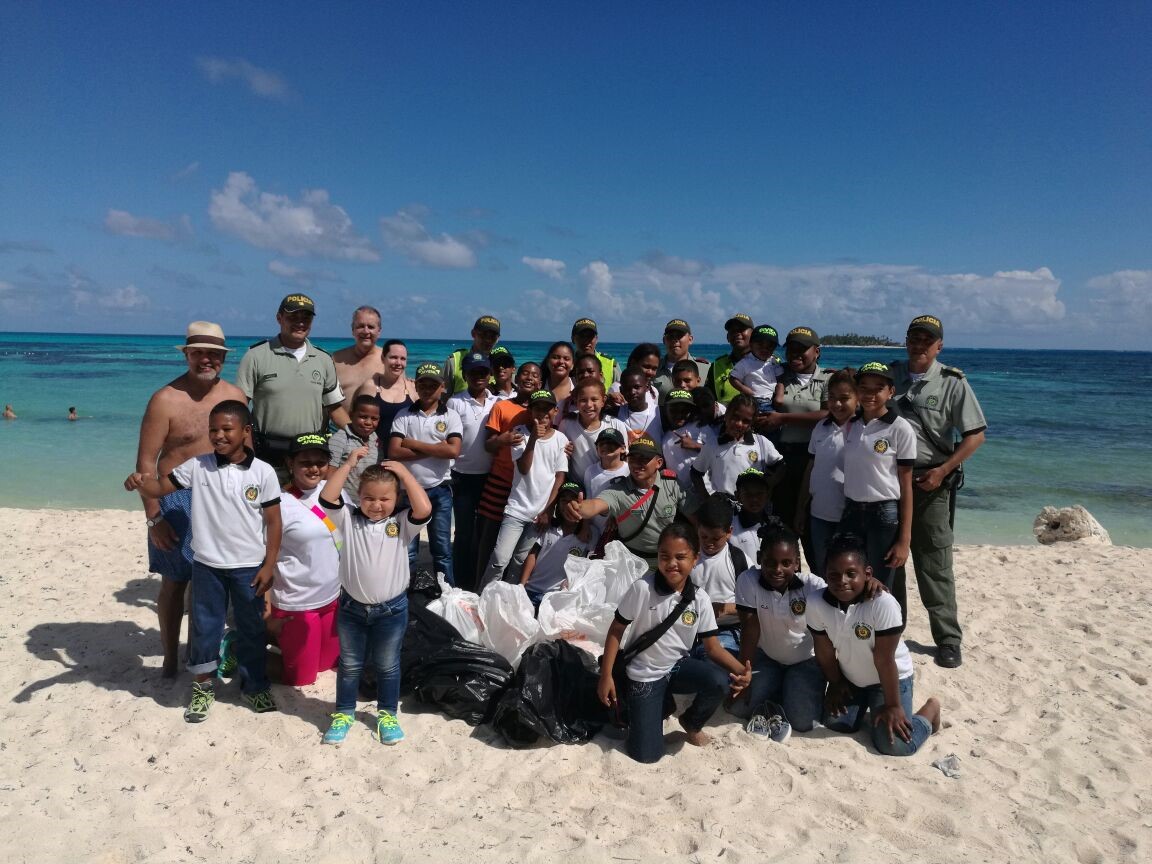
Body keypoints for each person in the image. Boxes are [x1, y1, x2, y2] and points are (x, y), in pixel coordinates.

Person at [124, 400, 282, 722]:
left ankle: (254, 686)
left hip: (248, 566)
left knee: (252, 627)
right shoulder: (198, 466)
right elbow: (160, 486)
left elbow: (274, 522)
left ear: (246, 431)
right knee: (204, 628)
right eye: (213, 430)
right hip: (207, 565)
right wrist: (141, 483)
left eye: (227, 429)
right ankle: (202, 686)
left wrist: (269, 564)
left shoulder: (263, 472)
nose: (219, 436)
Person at [133, 321, 247, 677]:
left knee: (213, 584)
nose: (206, 359)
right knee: (175, 582)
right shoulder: (165, 399)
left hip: (224, 500)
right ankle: (170, 657)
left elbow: (247, 454)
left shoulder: (235, 396)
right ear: (187, 354)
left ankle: (203, 655)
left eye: (213, 354)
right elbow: (145, 464)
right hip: (176, 501)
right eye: (198, 352)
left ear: (223, 358)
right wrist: (154, 518)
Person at [597, 523, 752, 764]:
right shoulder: (642, 588)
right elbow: (616, 630)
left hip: (677, 667)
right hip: (644, 674)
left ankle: (691, 722)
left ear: (695, 558)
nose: (672, 564)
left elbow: (713, 647)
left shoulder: (699, 598)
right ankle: (652, 707)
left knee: (719, 681)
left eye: (681, 557)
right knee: (647, 756)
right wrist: (605, 676)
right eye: (664, 556)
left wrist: (740, 670)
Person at [889, 314, 987, 669]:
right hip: (888, 481)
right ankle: (890, 629)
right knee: (890, 561)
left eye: (926, 340)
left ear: (938, 346)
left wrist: (943, 470)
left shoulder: (952, 382)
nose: (919, 345)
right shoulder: (889, 374)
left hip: (929, 482)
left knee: (934, 563)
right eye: (913, 338)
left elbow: (975, 435)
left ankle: (947, 638)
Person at [318, 449, 432, 745]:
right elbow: (328, 497)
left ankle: (387, 714)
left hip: (391, 612)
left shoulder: (402, 524)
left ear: (396, 500)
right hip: (352, 610)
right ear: (358, 496)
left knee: (387, 664)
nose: (377, 505)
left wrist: (406, 474)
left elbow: (424, 509)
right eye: (369, 498)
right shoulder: (347, 520)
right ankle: (343, 713)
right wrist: (349, 463)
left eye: (385, 499)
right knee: (350, 664)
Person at [807, 534, 942, 756]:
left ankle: (930, 711)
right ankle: (866, 704)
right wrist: (836, 682)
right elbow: (824, 650)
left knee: (895, 745)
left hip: (888, 679)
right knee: (837, 723)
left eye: (851, 574)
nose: (842, 580)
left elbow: (884, 659)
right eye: (834, 575)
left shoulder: (882, 604)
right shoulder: (815, 603)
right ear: (825, 575)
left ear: (867, 574)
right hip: (852, 678)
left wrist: (893, 706)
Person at [236, 293, 349, 469]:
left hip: (311, 454)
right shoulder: (255, 356)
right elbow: (240, 408)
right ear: (279, 318)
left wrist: (360, 436)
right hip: (268, 454)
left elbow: (334, 407)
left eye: (306, 318)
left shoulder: (324, 359)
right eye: (293, 317)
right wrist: (245, 449)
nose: (300, 322)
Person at [734, 525, 828, 732]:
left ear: (797, 563)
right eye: (770, 562)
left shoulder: (813, 586)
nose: (777, 570)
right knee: (738, 707)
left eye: (786, 563)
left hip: (805, 662)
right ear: (759, 558)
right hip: (767, 658)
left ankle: (790, 691)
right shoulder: (748, 580)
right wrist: (744, 675)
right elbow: (750, 629)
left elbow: (843, 607)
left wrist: (870, 583)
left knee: (803, 722)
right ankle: (779, 692)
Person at [267, 433, 343, 687]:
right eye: (305, 462)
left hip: (332, 599)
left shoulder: (333, 490)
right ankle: (240, 647)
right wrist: (266, 612)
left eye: (320, 462)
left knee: (327, 665)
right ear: (290, 463)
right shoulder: (279, 504)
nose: (314, 468)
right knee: (301, 679)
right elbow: (262, 559)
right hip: (296, 604)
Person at [839, 362, 915, 597]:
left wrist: (904, 539)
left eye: (878, 388)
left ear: (891, 392)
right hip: (851, 510)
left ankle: (892, 632)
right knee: (853, 576)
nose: (870, 394)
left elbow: (906, 484)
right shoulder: (851, 425)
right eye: (864, 388)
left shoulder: (900, 429)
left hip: (883, 514)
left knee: (882, 582)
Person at [481, 389, 569, 587]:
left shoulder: (560, 439)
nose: (543, 414)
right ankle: (484, 595)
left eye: (547, 410)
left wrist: (548, 510)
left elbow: (559, 477)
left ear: (555, 411)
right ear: (530, 411)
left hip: (539, 514)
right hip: (516, 509)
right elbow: (523, 467)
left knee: (519, 561)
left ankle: (508, 597)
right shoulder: (519, 432)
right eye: (538, 409)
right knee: (499, 559)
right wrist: (533, 440)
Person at [387, 362, 462, 585]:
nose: (428, 389)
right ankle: (405, 593)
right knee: (408, 552)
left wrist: (413, 444)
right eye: (423, 384)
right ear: (416, 386)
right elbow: (394, 451)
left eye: (433, 384)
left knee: (441, 549)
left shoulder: (451, 415)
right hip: (408, 492)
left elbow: (453, 450)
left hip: (439, 490)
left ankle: (447, 593)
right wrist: (435, 449)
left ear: (443, 387)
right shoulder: (403, 414)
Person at [564, 435, 687, 568]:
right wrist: (579, 508)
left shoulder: (673, 485)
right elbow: (596, 504)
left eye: (644, 459)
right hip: (632, 566)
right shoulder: (619, 490)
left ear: (659, 463)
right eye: (633, 458)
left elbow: (695, 519)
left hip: (666, 564)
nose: (637, 463)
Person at [766, 326, 832, 565]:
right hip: (781, 458)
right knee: (783, 528)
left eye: (802, 349)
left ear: (817, 352)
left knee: (811, 526)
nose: (795, 354)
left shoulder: (828, 379)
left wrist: (783, 418)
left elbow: (828, 413)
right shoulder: (778, 376)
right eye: (791, 348)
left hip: (814, 460)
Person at [474, 362, 541, 586]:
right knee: (489, 543)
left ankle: (507, 594)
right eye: (525, 373)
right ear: (516, 376)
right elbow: (488, 444)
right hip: (499, 481)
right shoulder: (502, 406)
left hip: (526, 490)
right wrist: (503, 439)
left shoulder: (542, 410)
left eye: (534, 375)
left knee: (518, 550)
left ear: (540, 382)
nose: (529, 378)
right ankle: (478, 588)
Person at [797, 367, 857, 576]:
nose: (837, 404)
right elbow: (811, 468)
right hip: (819, 514)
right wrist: (801, 508)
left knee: (848, 571)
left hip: (850, 517)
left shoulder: (862, 428)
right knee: (824, 569)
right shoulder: (821, 427)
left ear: (857, 399)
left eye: (844, 398)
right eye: (832, 397)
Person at [447, 351, 499, 591]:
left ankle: (480, 577)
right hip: (462, 476)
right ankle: (461, 580)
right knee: (464, 531)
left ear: (490, 375)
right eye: (473, 372)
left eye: (483, 371)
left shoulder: (498, 402)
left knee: (485, 532)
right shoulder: (455, 402)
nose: (479, 376)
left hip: (491, 477)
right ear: (465, 375)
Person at [520, 481, 598, 608]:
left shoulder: (589, 534)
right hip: (530, 591)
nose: (568, 506)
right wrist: (522, 586)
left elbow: (589, 566)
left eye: (573, 500)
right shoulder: (547, 526)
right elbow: (533, 555)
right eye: (563, 500)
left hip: (557, 599)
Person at [691, 394, 784, 498]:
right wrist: (707, 500)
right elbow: (695, 473)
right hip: (724, 509)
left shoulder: (761, 443)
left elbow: (781, 466)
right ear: (726, 415)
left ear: (752, 423)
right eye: (735, 417)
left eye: (746, 421)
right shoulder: (712, 444)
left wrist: (766, 485)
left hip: (751, 506)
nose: (739, 424)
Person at [690, 494, 748, 655]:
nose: (709, 543)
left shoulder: (739, 560)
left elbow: (757, 606)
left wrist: (726, 609)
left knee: (710, 659)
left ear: (729, 532)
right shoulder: (686, 556)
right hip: (689, 628)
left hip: (725, 630)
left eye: (716, 538)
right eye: (704, 536)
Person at [559, 379, 629, 482]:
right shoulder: (566, 424)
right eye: (583, 400)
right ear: (576, 401)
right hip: (577, 487)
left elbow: (625, 457)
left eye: (594, 399)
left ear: (603, 400)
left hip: (610, 486)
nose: (589, 405)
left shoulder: (616, 424)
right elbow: (560, 455)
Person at [354, 339, 417, 441]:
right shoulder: (370, 386)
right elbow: (356, 419)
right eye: (393, 357)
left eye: (403, 359)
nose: (398, 363)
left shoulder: (413, 388)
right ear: (383, 359)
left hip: (403, 452)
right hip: (373, 452)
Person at [326, 395, 381, 504]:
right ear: (351, 415)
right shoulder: (340, 439)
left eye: (374, 419)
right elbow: (329, 475)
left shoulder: (377, 441)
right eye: (363, 417)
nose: (368, 422)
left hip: (368, 505)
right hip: (344, 504)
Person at [332, 306, 385, 414]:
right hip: (340, 428)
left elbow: (402, 393)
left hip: (378, 429)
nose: (366, 331)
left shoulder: (389, 361)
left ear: (379, 331)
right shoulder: (335, 360)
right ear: (353, 330)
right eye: (360, 326)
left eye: (371, 327)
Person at [661, 389, 707, 495]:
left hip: (706, 492)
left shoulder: (700, 427)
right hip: (681, 496)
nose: (679, 414)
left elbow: (717, 454)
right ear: (665, 410)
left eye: (685, 410)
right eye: (674, 410)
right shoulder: (664, 438)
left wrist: (695, 445)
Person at [729, 468, 777, 566]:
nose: (754, 499)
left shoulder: (777, 527)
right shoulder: (729, 529)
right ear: (737, 496)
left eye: (759, 493)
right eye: (748, 494)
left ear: (768, 495)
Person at [730, 325, 782, 415]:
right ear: (751, 344)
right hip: (754, 400)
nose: (764, 349)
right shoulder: (745, 362)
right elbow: (733, 378)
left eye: (770, 346)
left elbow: (781, 378)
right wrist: (744, 389)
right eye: (760, 344)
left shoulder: (773, 361)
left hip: (771, 399)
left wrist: (780, 394)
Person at [653, 319, 710, 399]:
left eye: (679, 336)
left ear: (690, 339)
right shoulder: (653, 369)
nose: (675, 340)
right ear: (664, 340)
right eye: (671, 336)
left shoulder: (706, 369)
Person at [705, 313, 754, 405]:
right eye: (733, 331)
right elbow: (709, 401)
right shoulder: (716, 366)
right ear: (727, 337)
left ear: (754, 334)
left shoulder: (769, 362)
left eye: (742, 329)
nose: (737, 333)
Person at [445, 315, 501, 396]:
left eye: (493, 337)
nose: (488, 340)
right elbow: (444, 394)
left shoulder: (501, 362)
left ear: (498, 339)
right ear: (473, 334)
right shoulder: (455, 360)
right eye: (483, 335)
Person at [571, 317, 620, 399]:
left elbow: (621, 390)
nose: (586, 341)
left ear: (596, 339)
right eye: (582, 336)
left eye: (590, 336)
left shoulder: (610, 364)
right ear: (573, 339)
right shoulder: (566, 364)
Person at [616, 366, 664, 443]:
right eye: (627, 388)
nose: (632, 392)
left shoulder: (659, 413)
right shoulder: (616, 413)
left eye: (637, 387)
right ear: (621, 390)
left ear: (647, 387)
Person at [583, 427, 629, 497]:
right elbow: (589, 498)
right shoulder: (590, 471)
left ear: (623, 448)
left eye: (611, 443)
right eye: (601, 443)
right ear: (597, 449)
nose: (605, 446)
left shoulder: (630, 469)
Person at [541, 341, 576, 405]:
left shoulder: (577, 387)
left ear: (572, 365)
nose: (561, 361)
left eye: (566, 358)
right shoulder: (539, 386)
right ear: (548, 361)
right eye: (555, 357)